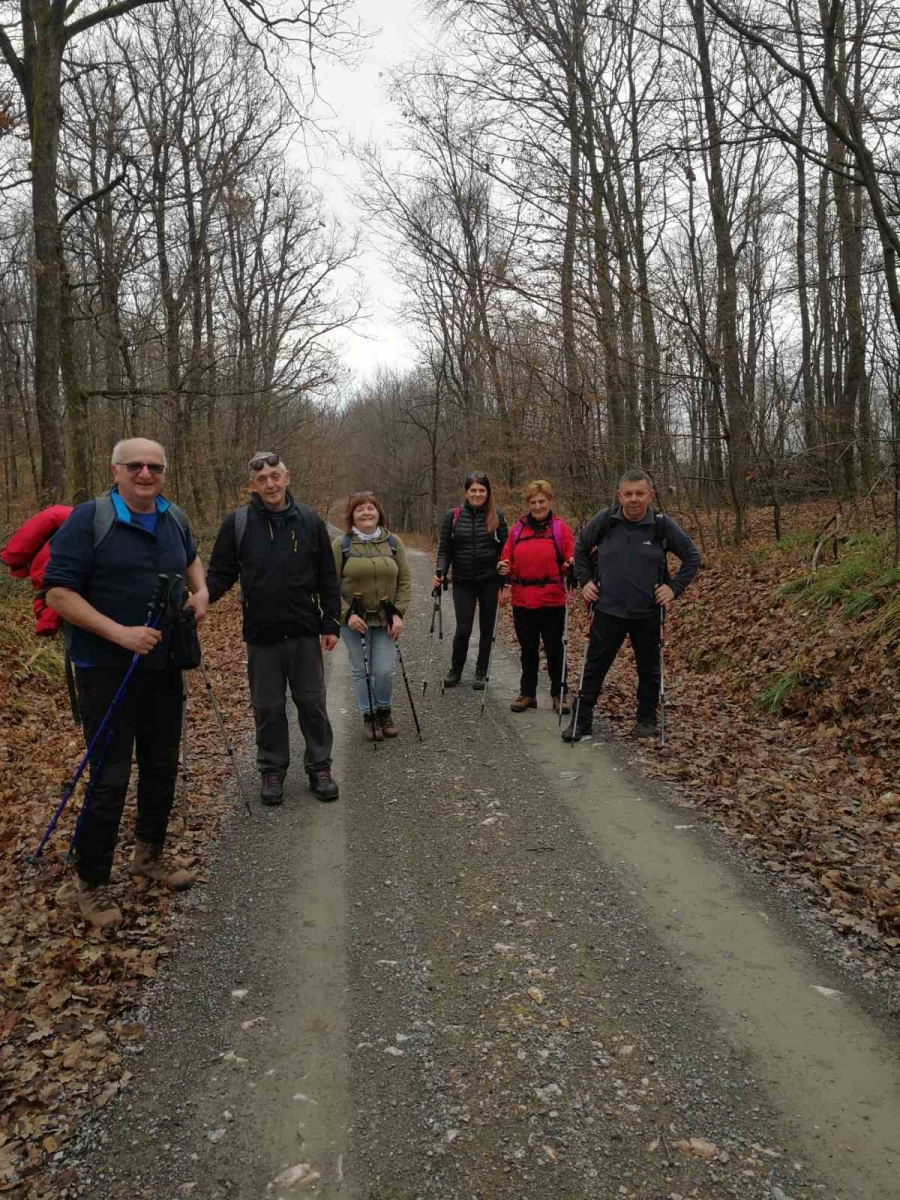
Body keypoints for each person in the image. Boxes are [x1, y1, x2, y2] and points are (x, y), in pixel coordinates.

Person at [45, 438, 209, 928]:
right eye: (135, 465)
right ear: (115, 470)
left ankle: (148, 855)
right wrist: (120, 633)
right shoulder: (88, 520)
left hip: (165, 664)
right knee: (110, 775)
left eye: (154, 466)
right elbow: (58, 593)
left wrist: (201, 592)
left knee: (161, 764)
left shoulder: (173, 517)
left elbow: (191, 559)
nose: (145, 473)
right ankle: (92, 882)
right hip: (104, 669)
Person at [206, 452, 340, 806]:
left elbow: (328, 576)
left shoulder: (309, 520)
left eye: (275, 476)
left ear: (287, 477)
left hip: (304, 631)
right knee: (267, 708)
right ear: (253, 485)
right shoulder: (238, 524)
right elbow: (220, 574)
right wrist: (199, 599)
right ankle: (271, 770)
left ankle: (320, 767)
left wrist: (331, 621)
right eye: (262, 479)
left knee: (312, 703)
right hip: (262, 635)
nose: (270, 484)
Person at [563, 469, 701, 742]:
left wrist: (673, 589)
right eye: (628, 494)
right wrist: (586, 581)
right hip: (607, 609)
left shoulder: (661, 525)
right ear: (619, 495)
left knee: (649, 669)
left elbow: (692, 557)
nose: (634, 499)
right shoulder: (605, 521)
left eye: (640, 493)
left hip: (647, 611)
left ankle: (646, 719)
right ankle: (582, 719)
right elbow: (580, 549)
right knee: (594, 668)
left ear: (651, 495)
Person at [333, 492, 411, 741]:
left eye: (370, 508)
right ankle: (369, 716)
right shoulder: (342, 545)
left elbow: (405, 581)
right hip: (354, 621)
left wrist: (398, 614)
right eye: (360, 509)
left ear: (378, 513)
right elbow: (327, 586)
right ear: (352, 516)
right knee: (362, 670)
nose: (366, 513)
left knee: (385, 670)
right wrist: (345, 615)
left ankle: (384, 711)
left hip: (386, 619)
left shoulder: (393, 542)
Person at [498, 480, 575, 714]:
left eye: (542, 501)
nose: (538, 506)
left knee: (554, 648)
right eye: (533, 502)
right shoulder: (517, 529)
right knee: (527, 648)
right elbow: (506, 559)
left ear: (550, 501)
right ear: (528, 504)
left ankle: (559, 693)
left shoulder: (560, 529)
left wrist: (571, 565)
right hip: (523, 599)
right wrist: (502, 568)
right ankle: (528, 693)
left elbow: (572, 557)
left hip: (552, 599)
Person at [433, 470, 508, 689]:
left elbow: (506, 551)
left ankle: (481, 671)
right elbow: (445, 549)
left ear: (488, 492)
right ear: (466, 492)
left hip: (489, 580)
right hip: (463, 581)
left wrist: (507, 580)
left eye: (481, 490)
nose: (477, 494)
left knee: (486, 628)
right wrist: (440, 570)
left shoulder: (497, 516)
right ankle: (456, 669)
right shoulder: (453, 516)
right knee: (463, 628)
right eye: (473, 490)